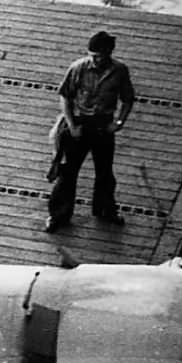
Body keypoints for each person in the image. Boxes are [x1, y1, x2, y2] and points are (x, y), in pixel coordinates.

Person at [47, 29, 137, 233]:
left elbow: (128, 98)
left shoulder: (120, 71)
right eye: (92, 55)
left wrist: (119, 122)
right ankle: (59, 215)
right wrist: (71, 125)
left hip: (103, 125)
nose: (95, 60)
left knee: (104, 172)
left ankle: (105, 210)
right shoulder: (78, 68)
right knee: (67, 172)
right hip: (80, 123)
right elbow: (65, 97)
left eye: (100, 55)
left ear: (109, 53)